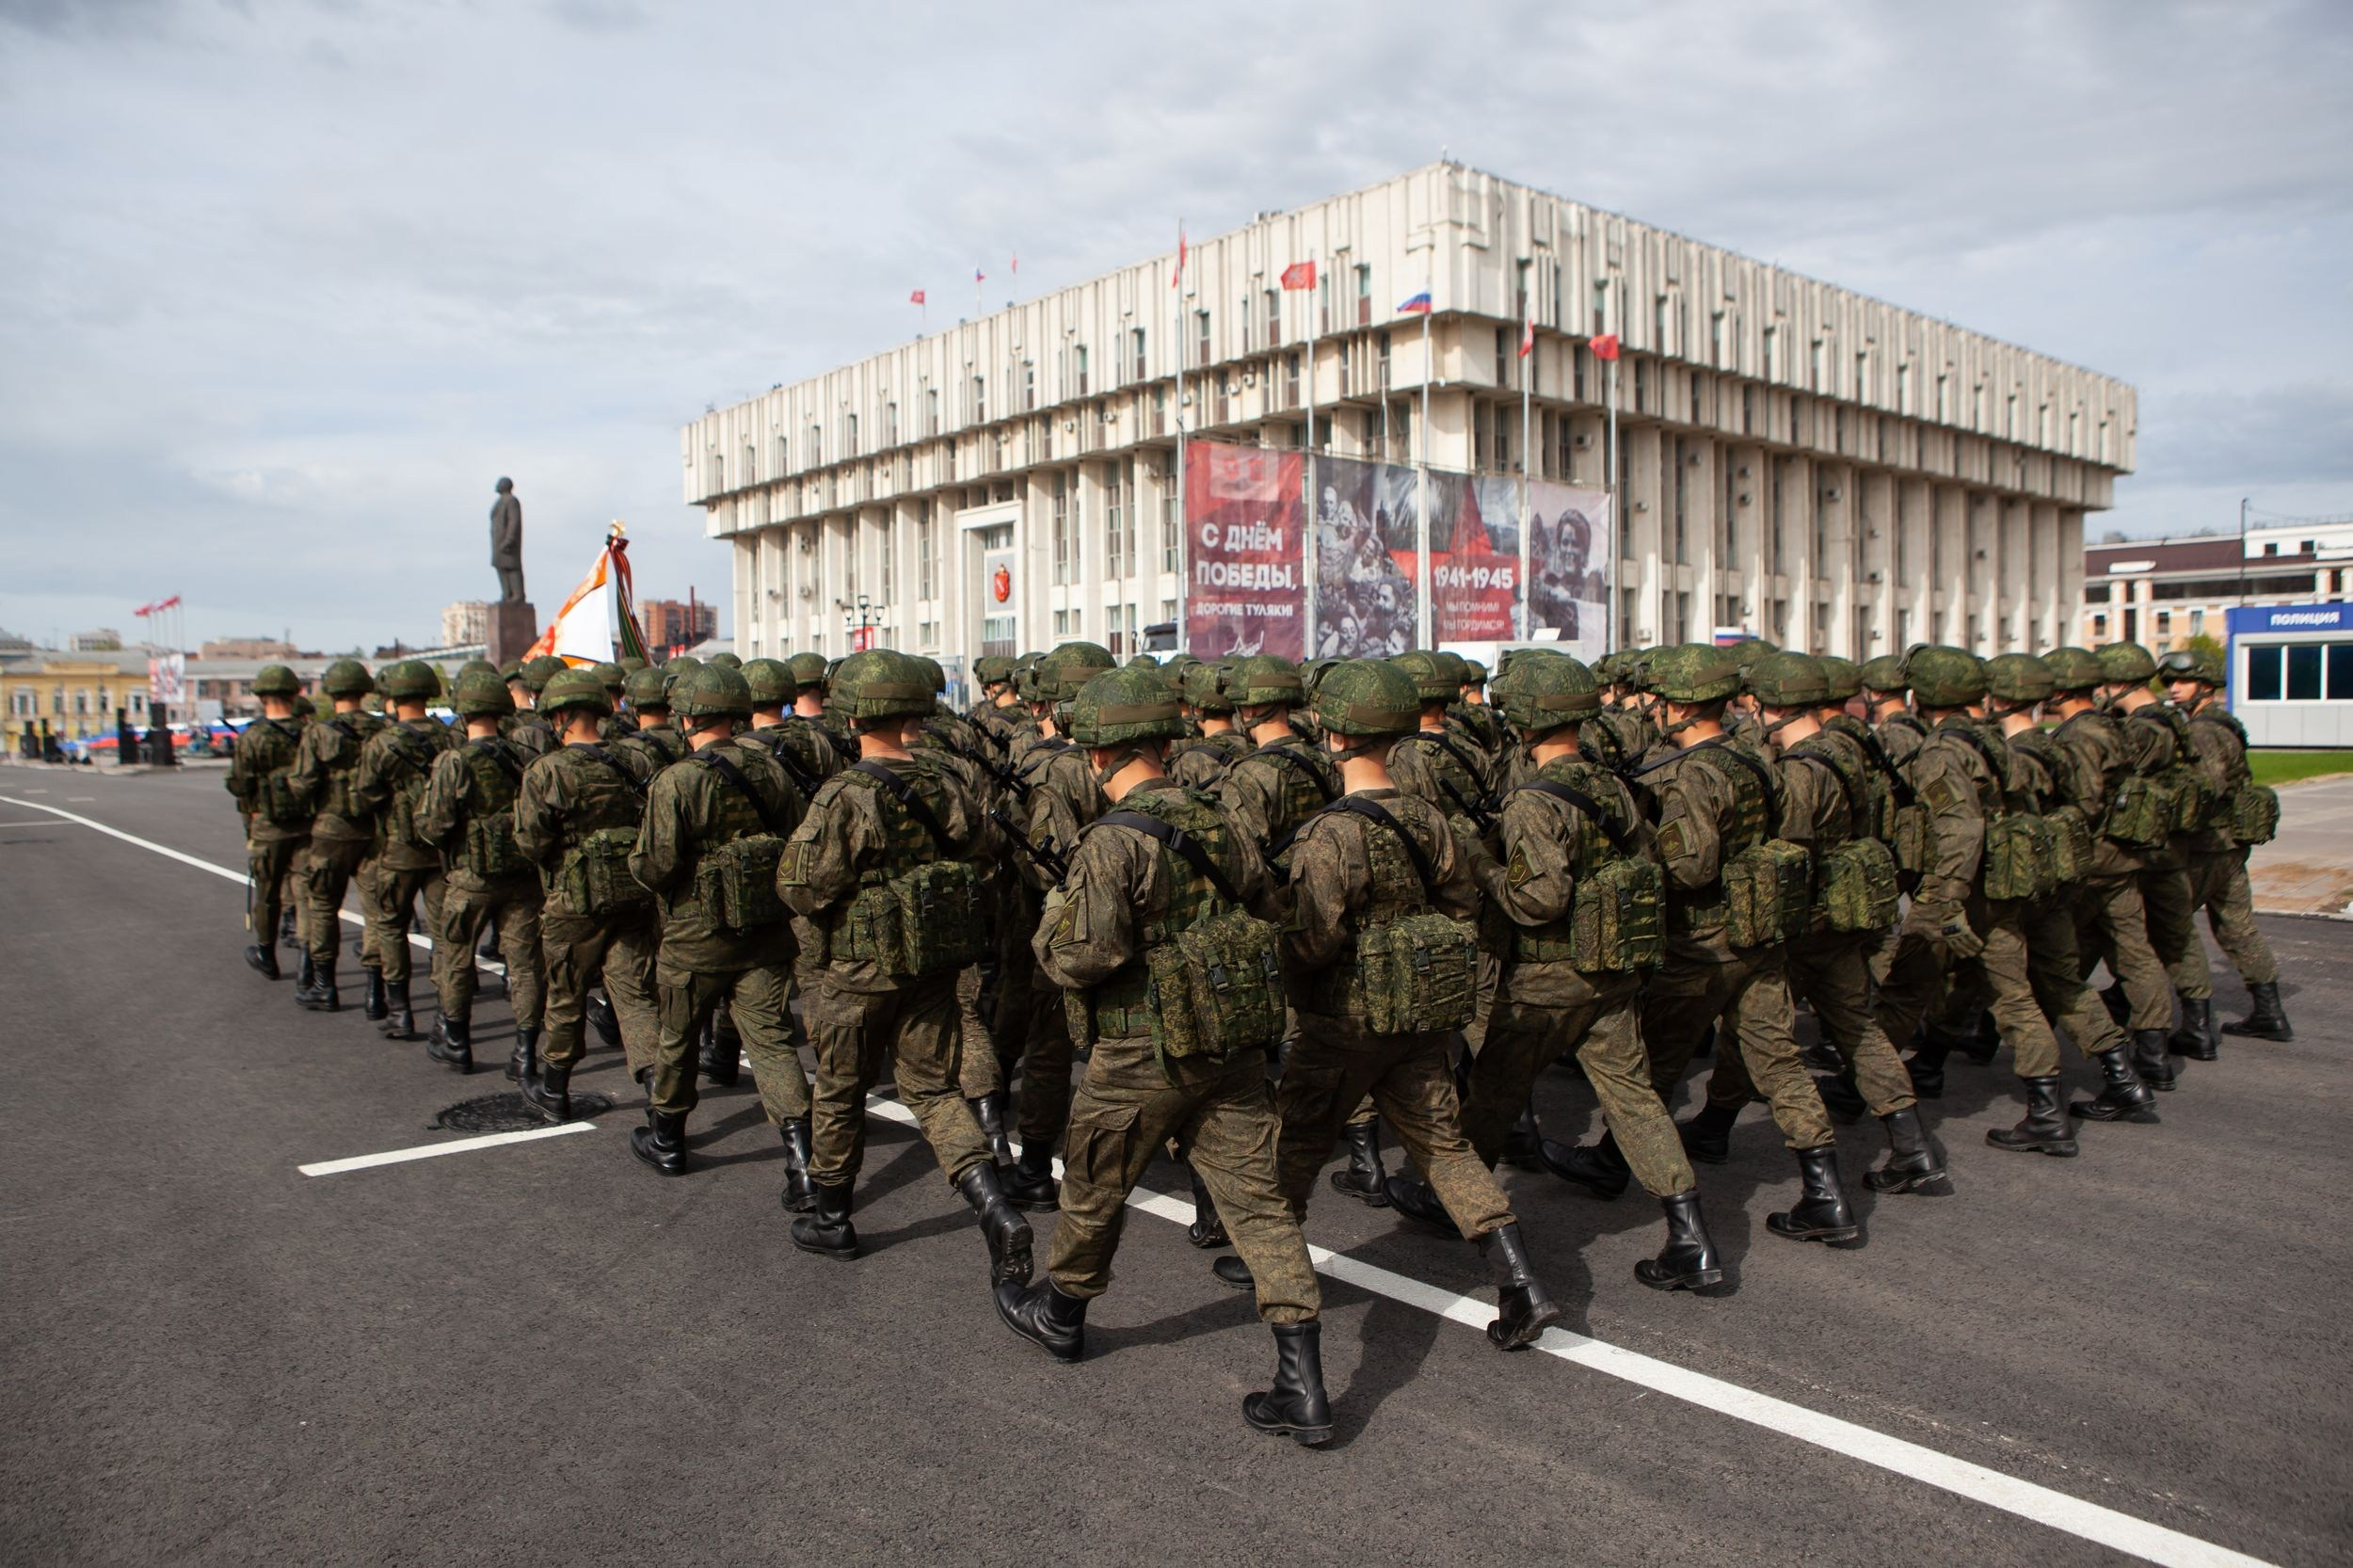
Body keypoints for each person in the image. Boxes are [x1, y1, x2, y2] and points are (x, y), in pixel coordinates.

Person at [995, 666, 1332, 1444]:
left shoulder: (1110, 842)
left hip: (1140, 1049)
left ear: (1097, 755)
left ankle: (1062, 1312)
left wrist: (1054, 911)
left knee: (1095, 1182)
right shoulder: (1220, 818)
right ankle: (1303, 1381)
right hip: (1231, 1044)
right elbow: (1272, 909)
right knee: (1259, 1205)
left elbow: (1078, 960)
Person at [1213, 659, 1564, 1352]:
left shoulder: (1329, 834)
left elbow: (1311, 945)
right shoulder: (1430, 820)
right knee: (1446, 1146)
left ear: (1335, 735)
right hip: (1419, 1019)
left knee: (1299, 1141)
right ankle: (1521, 1282)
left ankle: (1268, 1255)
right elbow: (1461, 903)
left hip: (1343, 1022)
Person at [1401, 650, 1723, 1290]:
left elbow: (1537, 900)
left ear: (1523, 719)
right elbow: (1650, 863)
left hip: (1545, 982)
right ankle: (1691, 1235)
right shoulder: (1614, 786)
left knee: (1494, 1092)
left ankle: (1452, 1200)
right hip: (1613, 974)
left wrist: (1484, 865)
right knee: (1634, 1101)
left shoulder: (1532, 806)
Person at [776, 649, 1032, 1288]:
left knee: (839, 1088)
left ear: (856, 714)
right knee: (933, 1091)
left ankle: (833, 1216)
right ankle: (993, 1206)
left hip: (856, 974)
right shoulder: (942, 781)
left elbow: (803, 887)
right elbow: (985, 845)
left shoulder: (845, 794)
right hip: (930, 966)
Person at [1625, 645, 1857, 1246]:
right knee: (1780, 1062)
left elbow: (1692, 866)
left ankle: (1631, 1174)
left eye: (1659, 702)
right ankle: (1826, 1194)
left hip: (1702, 942)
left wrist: (1648, 856)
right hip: (1759, 930)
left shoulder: (1694, 774)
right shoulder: (1755, 757)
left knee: (1651, 1064)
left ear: (1677, 706)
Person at [1730, 652, 1945, 1193]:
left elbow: (1788, 854)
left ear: (1770, 705)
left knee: (1764, 1036)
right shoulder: (1844, 749)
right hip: (1844, 916)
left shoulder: (1802, 771)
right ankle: (1913, 1146)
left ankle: (1822, 1185)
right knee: (1857, 1029)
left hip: (1810, 921)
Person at [622, 664, 813, 1198]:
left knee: (678, 1036)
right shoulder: (771, 768)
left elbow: (656, 866)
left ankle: (668, 1138)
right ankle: (802, 1163)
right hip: (765, 931)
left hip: (695, 937)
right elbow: (795, 838)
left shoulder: (677, 780)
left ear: (686, 718)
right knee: (772, 1043)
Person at [1985, 653, 2158, 1130]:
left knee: (2014, 996)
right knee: (2065, 983)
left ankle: (2045, 1112)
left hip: (2018, 887)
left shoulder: (2015, 757)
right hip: (2058, 884)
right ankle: (2125, 1081)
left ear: (1998, 699)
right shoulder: (2058, 747)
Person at [511, 670, 664, 1124]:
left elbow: (530, 841)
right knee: (636, 997)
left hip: (573, 902)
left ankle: (555, 1089)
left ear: (560, 716)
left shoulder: (547, 770)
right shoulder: (634, 760)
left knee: (566, 993)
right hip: (632, 895)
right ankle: (661, 1102)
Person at [414, 670, 545, 1076]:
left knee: (455, 955)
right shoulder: (522, 755)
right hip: (522, 877)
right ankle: (525, 1052)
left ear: (463, 709)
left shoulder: (454, 761)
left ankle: (456, 1041)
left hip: (470, 878)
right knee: (524, 965)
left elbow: (433, 827)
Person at [2161, 646, 2292, 1042]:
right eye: (2170, 682)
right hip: (2229, 846)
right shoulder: (2226, 724)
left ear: (2206, 685)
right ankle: (2269, 1013)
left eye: (2183, 681)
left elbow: (2205, 787)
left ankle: (2195, 1024)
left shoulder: (2202, 730)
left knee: (2170, 927)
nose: (2174, 688)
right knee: (2238, 929)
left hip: (2205, 848)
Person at [349, 662, 458, 1041]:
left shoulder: (382, 742)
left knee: (390, 927)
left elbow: (360, 799)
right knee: (445, 935)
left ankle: (400, 1010)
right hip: (442, 850)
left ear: (392, 696)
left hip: (396, 850)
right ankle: (448, 1015)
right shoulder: (449, 737)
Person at [283, 659, 387, 1014]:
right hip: (376, 829)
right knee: (375, 911)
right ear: (363, 690)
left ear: (332, 691)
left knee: (323, 905)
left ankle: (325, 986)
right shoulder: (382, 730)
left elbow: (301, 783)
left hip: (331, 831)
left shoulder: (318, 733)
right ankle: (376, 993)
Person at [226, 664, 312, 982]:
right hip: (308, 823)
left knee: (267, 892)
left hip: (268, 825)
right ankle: (307, 962)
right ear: (294, 694)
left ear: (262, 697)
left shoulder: (252, 738)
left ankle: (267, 953)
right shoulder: (311, 734)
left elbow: (238, 785)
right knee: (306, 893)